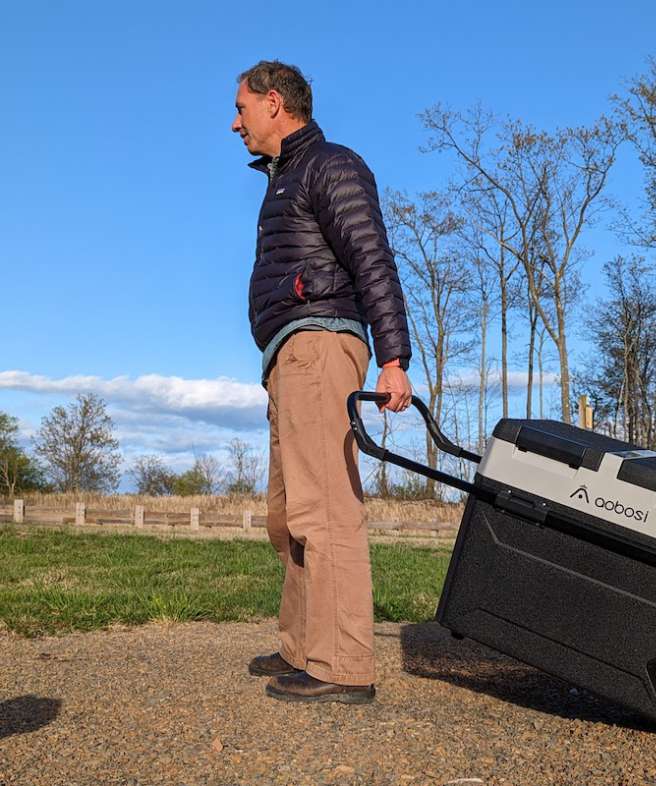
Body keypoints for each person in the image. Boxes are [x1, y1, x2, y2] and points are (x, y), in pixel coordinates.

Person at [231, 60, 413, 703]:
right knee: (287, 516)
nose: (236, 122)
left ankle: (342, 666)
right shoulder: (286, 179)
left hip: (320, 345)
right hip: (289, 355)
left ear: (274, 103)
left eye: (243, 108)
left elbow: (372, 257)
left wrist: (394, 358)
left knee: (326, 508)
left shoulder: (329, 164)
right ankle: (304, 648)